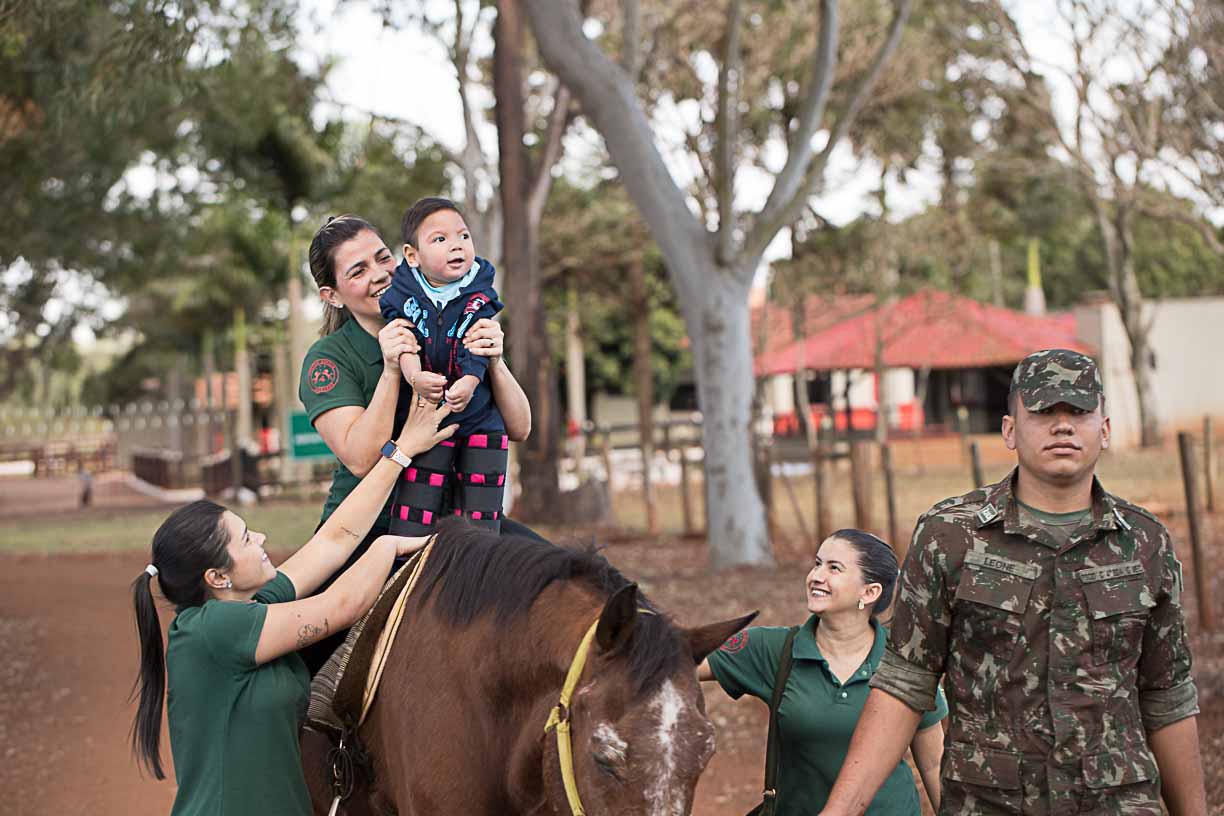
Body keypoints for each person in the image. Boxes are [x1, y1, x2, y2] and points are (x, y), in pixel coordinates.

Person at [820, 349, 1208, 816]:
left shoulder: (1145, 542)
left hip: (1117, 803)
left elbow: (1166, 696)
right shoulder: (951, 535)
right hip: (991, 803)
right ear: (1009, 430)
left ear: (1104, 430)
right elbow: (906, 685)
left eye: (1079, 412)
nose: (1062, 426)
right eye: (1044, 412)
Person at [129, 393, 456, 816]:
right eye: (246, 539)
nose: (261, 540)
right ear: (217, 577)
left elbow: (335, 539)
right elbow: (343, 605)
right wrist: (389, 545)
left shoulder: (253, 608)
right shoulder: (213, 630)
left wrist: (403, 450)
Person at [299, 213, 532, 670]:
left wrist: (495, 361)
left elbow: (520, 427)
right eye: (357, 271)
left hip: (465, 519)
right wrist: (392, 367)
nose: (379, 274)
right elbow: (363, 459)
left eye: (381, 258)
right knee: (306, 670)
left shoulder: (444, 315)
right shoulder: (328, 359)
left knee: (568, 583)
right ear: (333, 295)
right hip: (373, 529)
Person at [698, 529, 945, 815]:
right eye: (817, 563)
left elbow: (933, 763)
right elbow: (674, 663)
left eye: (834, 568)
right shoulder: (772, 649)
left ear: (869, 592)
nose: (816, 576)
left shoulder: (905, 658)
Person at [378, 196, 509, 535]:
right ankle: (408, 575)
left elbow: (478, 343)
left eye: (463, 236)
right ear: (412, 255)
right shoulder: (401, 294)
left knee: (482, 526)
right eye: (440, 239)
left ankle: (479, 577)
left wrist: (470, 379)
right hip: (428, 419)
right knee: (412, 517)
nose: (457, 246)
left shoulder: (478, 292)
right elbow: (404, 343)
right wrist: (414, 376)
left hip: (480, 419)